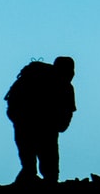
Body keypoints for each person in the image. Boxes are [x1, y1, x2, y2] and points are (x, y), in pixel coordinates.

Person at [6, 56, 76, 184]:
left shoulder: (32, 80)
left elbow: (12, 105)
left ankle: (29, 179)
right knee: (48, 168)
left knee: (30, 165)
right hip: (39, 127)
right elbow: (67, 112)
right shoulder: (64, 86)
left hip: (24, 125)